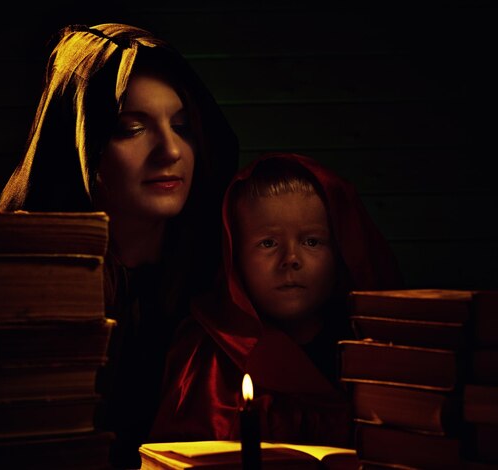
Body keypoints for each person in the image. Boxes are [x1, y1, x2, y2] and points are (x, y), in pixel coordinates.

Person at [0, 23, 239, 469]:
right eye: (132, 128)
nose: (170, 150)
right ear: (80, 142)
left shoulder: (223, 265)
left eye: (182, 125)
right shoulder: (19, 281)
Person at [149, 152, 403, 447]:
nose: (291, 259)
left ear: (340, 253)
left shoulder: (376, 349)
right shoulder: (208, 357)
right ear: (235, 257)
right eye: (268, 243)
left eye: (312, 241)